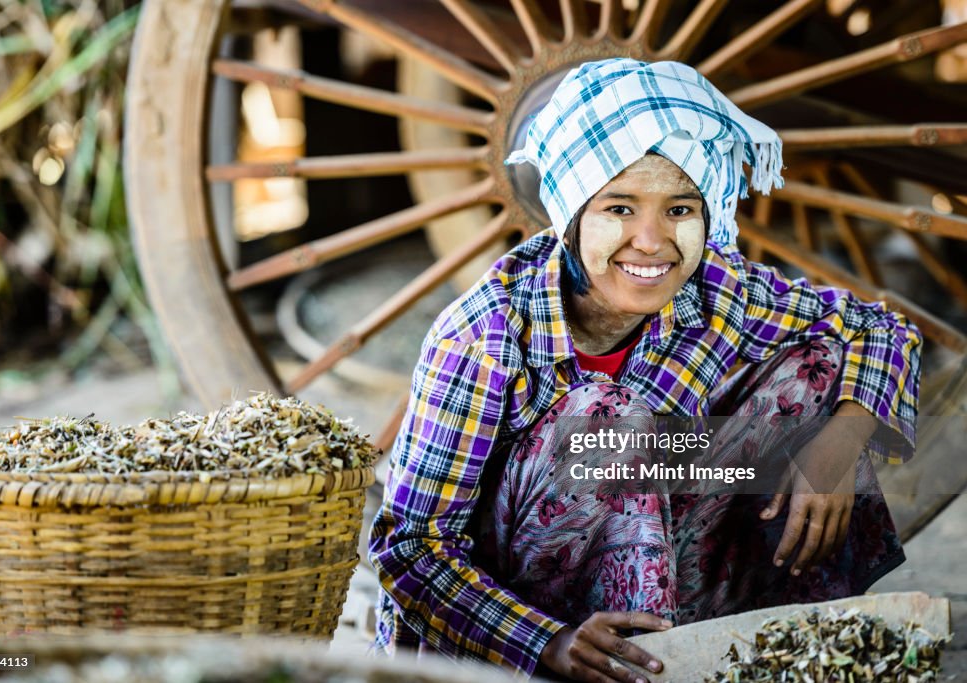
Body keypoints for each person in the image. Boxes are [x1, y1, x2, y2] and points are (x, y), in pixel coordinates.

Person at [368, 59, 921, 682]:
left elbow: (877, 327)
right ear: (572, 215)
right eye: (620, 208)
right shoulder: (485, 339)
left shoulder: (715, 284)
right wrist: (549, 643)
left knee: (813, 370)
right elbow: (411, 550)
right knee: (608, 418)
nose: (653, 242)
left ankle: (757, 643)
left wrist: (839, 445)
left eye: (680, 210)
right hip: (519, 632)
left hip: (655, 530)